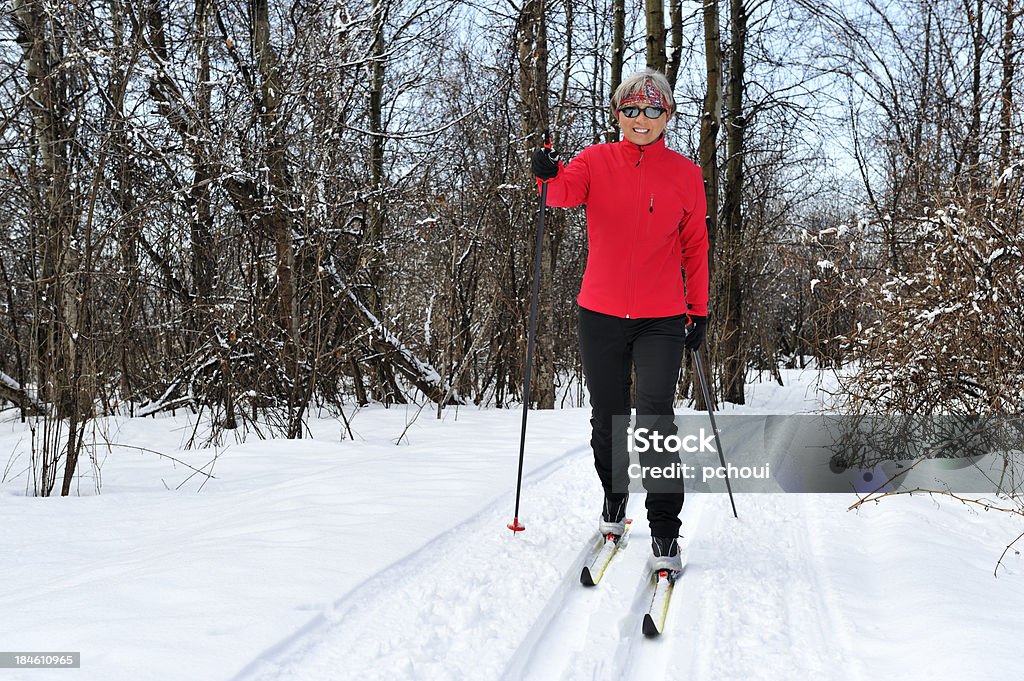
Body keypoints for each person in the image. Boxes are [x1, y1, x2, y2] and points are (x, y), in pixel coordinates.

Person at [531, 69, 708, 573]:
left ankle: (665, 533)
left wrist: (701, 310)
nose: (641, 119)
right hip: (601, 312)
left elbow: (695, 246)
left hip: (663, 317)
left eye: (652, 110)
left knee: (655, 420)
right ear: (618, 115)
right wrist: (545, 172)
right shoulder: (595, 160)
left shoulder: (685, 174)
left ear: (667, 115)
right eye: (630, 110)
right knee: (608, 416)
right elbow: (559, 194)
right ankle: (614, 500)